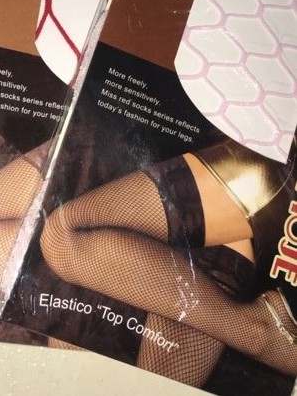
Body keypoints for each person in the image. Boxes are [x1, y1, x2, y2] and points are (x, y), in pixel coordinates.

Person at [40, 136, 297, 386]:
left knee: (64, 239)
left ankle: (255, 332)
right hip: (267, 173)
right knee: (67, 244)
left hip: (268, 174)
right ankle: (254, 332)